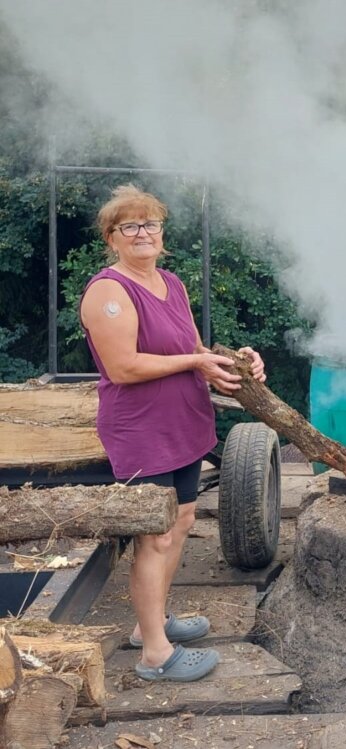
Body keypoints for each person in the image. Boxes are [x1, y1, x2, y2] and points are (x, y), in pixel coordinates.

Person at [80, 185, 266, 681]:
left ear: (162, 234)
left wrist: (238, 364)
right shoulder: (108, 291)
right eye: (130, 226)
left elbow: (196, 352)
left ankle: (152, 624)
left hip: (184, 423)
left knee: (180, 522)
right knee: (155, 538)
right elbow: (122, 367)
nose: (143, 234)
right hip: (142, 431)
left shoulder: (172, 283)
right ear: (112, 238)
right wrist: (194, 360)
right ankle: (156, 658)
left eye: (151, 224)